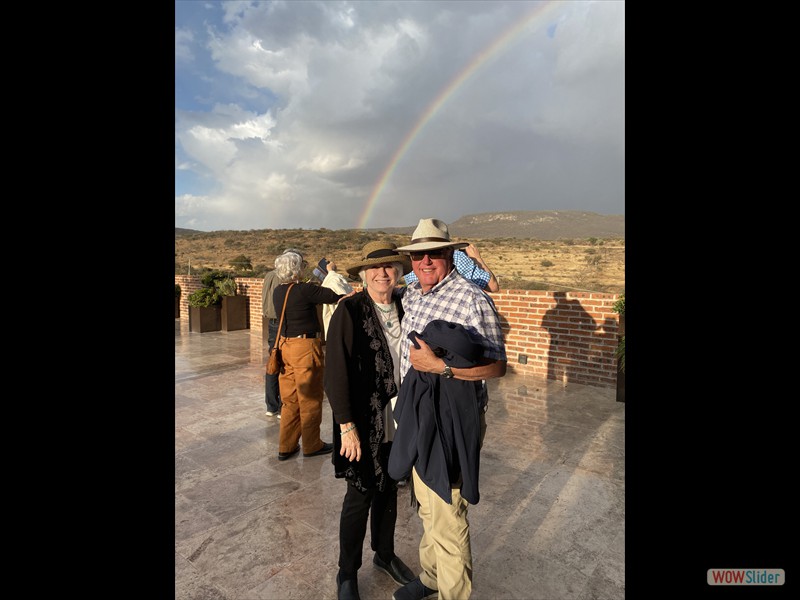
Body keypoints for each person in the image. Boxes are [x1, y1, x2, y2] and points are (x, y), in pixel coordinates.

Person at [389, 218, 507, 600]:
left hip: (452, 418)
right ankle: (430, 577)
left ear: (450, 255)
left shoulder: (472, 299)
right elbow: (383, 288)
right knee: (426, 503)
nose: (425, 261)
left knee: (447, 510)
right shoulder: (412, 293)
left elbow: (498, 365)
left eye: (434, 254)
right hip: (417, 410)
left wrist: (443, 368)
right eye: (417, 255)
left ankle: (452, 593)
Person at [324, 241, 417, 600]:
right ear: (363, 274)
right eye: (375, 268)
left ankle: (385, 553)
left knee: (389, 487)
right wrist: (346, 425)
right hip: (362, 420)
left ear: (398, 272)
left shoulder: (407, 303)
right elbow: (335, 373)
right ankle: (346, 571)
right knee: (360, 493)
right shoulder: (350, 310)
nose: (383, 273)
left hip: (401, 414)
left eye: (390, 267)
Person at [273, 251, 353, 461]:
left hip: (285, 348)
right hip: (304, 348)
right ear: (297, 269)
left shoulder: (278, 291)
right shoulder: (305, 290)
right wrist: (331, 273)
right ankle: (311, 444)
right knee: (310, 399)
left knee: (289, 400)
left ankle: (286, 446)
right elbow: (335, 296)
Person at [262, 247, 305, 418]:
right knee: (284, 365)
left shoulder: (268, 275)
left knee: (273, 363)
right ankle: (282, 406)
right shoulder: (284, 278)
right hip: (283, 323)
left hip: (271, 323)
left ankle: (271, 406)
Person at [403, 243, 500, 292]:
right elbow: (493, 286)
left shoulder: (414, 264)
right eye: (419, 254)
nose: (426, 261)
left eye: (435, 253)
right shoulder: (458, 257)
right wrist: (477, 258)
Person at [311, 258, 354, 339]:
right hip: (335, 332)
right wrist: (331, 271)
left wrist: (331, 272)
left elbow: (339, 291)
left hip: (339, 330)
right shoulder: (330, 282)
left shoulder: (331, 282)